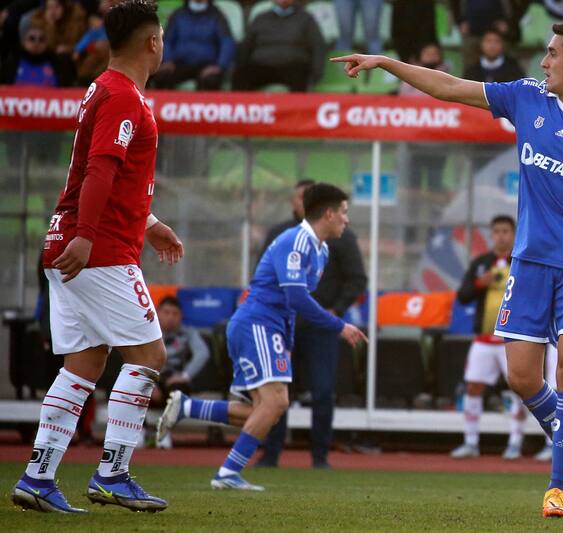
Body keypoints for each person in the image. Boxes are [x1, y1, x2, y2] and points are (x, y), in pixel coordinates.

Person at [332, 20, 563, 519]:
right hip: (530, 263)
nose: (544, 62)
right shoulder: (526, 98)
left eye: (552, 54)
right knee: (521, 377)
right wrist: (386, 63)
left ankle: (559, 488)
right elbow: (451, 88)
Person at [12, 0, 183, 514]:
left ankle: (39, 475)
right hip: (98, 249)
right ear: (153, 43)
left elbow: (109, 173)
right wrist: (87, 237)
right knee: (150, 357)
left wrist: (149, 224)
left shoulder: (101, 89)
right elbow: (101, 171)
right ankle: (113, 473)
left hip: (74, 243)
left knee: (84, 364)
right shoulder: (124, 97)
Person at [157, 183, 368, 490]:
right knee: (275, 403)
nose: (347, 221)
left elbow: (292, 302)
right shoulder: (296, 241)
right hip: (257, 324)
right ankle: (228, 473)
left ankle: (187, 408)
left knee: (260, 413)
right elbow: (295, 297)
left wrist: (289, 339)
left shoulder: (320, 251)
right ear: (329, 213)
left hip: (271, 328)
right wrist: (339, 325)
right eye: (345, 213)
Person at [259, 180, 367, 469]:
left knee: (322, 391)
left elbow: (357, 279)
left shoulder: (340, 237)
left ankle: (320, 456)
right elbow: (269, 280)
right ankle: (270, 454)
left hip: (321, 327)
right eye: (298, 197)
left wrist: (335, 311)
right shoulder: (281, 235)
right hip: (283, 325)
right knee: (279, 392)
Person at [449, 215, 528, 461]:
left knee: (520, 390)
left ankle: (515, 442)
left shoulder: (522, 261)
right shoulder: (481, 263)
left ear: (514, 234)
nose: (501, 236)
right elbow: (462, 296)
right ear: (491, 235)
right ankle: (471, 442)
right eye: (497, 232)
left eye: (506, 231)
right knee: (473, 387)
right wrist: (478, 283)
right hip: (483, 339)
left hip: (513, 340)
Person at [150, 296, 210, 448]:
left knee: (176, 393)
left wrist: (185, 376)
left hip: (173, 379)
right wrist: (150, 381)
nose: (170, 318)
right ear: (157, 312)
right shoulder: (148, 331)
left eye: (175, 314)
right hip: (151, 376)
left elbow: (203, 353)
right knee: (135, 387)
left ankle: (164, 431)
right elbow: (136, 357)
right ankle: (139, 431)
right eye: (166, 312)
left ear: (180, 317)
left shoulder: (188, 333)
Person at [232, 0, 325, 92]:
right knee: (242, 76)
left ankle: (295, 107)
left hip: (293, 65)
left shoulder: (306, 18)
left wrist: (317, 71)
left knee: (301, 77)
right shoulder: (261, 18)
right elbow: (246, 45)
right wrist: (240, 65)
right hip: (261, 65)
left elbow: (317, 45)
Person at [148, 0, 235, 91]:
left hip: (207, 65)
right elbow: (167, 40)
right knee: (162, 77)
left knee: (210, 81)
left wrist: (219, 66)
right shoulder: (178, 14)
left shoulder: (217, 16)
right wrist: (167, 60)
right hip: (179, 64)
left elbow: (227, 42)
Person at [1, 20, 61, 86]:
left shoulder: (55, 63)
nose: (36, 43)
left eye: (41, 39)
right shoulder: (12, 62)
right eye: (32, 38)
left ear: (46, 43)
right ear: (23, 41)